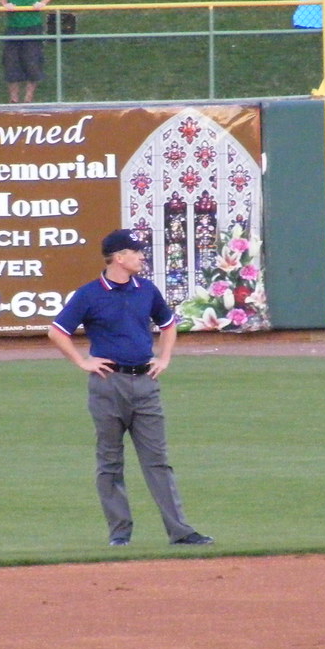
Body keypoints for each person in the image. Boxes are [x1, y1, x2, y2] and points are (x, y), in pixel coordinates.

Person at [48, 229, 215, 548]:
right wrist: (83, 362)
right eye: (136, 251)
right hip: (108, 385)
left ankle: (180, 531)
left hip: (146, 384)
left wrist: (164, 358)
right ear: (118, 257)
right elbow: (57, 332)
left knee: (157, 461)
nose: (141, 256)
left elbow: (168, 325)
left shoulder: (146, 290)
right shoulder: (88, 294)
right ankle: (120, 534)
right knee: (110, 461)